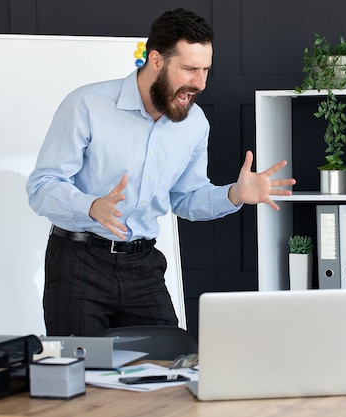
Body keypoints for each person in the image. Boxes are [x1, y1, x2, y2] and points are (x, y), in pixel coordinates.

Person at [25, 8, 295, 337]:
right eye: (190, 69)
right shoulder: (86, 105)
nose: (200, 82)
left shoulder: (194, 124)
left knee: (166, 371)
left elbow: (185, 199)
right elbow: (42, 187)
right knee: (83, 380)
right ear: (156, 60)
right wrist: (91, 206)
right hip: (78, 264)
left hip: (143, 267)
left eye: (206, 69)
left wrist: (233, 194)